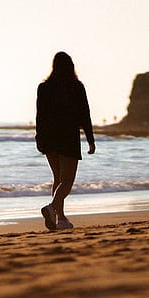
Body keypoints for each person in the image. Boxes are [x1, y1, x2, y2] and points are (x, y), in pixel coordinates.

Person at [36, 51, 95, 230]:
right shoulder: (76, 86)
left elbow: (40, 116)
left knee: (58, 179)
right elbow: (85, 114)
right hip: (68, 137)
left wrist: (39, 139)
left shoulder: (44, 87)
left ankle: (61, 220)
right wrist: (90, 140)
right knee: (67, 181)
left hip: (48, 138)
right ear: (71, 66)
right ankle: (52, 208)